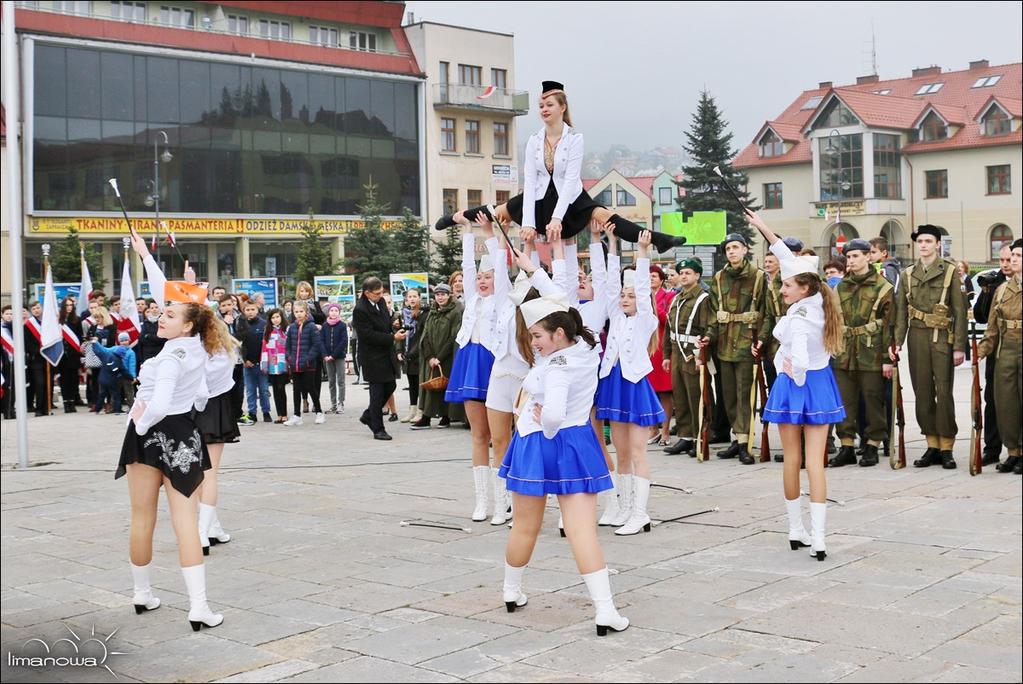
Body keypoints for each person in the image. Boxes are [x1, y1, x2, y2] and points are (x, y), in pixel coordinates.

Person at [499, 294, 628, 636]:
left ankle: (511, 590)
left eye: (537, 336)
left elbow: (553, 412)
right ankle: (605, 610)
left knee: (525, 525)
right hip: (572, 444)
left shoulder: (556, 365)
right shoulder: (586, 348)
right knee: (581, 530)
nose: (533, 344)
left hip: (536, 439)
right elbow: (559, 294)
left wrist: (548, 425)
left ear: (558, 333)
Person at [436, 81, 686, 254]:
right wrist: (529, 223)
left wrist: (556, 218)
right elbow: (532, 181)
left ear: (562, 107)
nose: (544, 110)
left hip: (570, 196)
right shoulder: (534, 140)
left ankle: (659, 240)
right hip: (541, 194)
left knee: (606, 216)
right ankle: (454, 218)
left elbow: (570, 181)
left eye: (549, 105)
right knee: (499, 210)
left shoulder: (575, 139)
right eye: (541, 106)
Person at [116, 297, 223, 631]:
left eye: (170, 315)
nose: (161, 318)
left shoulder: (170, 358)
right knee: (185, 522)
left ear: (188, 325)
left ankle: (141, 592)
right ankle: (198, 607)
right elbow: (203, 395)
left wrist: (141, 423)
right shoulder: (197, 350)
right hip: (181, 433)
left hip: (150, 430)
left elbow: (159, 404)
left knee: (142, 516)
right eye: (163, 313)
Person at [748, 213, 845, 562]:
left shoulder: (801, 317)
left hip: (799, 384)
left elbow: (800, 360)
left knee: (792, 459)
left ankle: (797, 529)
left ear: (802, 287)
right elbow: (788, 259)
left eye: (787, 285)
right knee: (815, 462)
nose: (782, 287)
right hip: (819, 385)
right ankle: (817, 537)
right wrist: (762, 225)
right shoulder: (818, 298)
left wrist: (787, 366)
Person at [595, 229, 665, 536]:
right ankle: (623, 507)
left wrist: (641, 251)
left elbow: (641, 288)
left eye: (631, 295)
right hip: (612, 383)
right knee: (621, 451)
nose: (625, 299)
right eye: (623, 296)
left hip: (634, 385)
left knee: (638, 452)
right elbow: (609, 284)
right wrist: (610, 244)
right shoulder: (616, 315)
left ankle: (640, 512)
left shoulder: (645, 319)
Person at [892, 224, 968, 469]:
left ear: (937, 244)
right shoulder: (907, 274)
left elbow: (959, 311)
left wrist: (959, 347)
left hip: (942, 338)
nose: (923, 245)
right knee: (922, 392)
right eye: (920, 241)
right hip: (917, 337)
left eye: (928, 241)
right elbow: (901, 312)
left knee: (944, 393)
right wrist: (897, 342)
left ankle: (947, 447)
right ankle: (931, 445)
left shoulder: (949, 272)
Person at [444, 224, 499, 519]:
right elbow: (466, 266)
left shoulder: (502, 300)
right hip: (469, 362)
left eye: (487, 276)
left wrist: (489, 235)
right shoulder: (472, 299)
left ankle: (505, 497)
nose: (481, 281)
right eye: (478, 277)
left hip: (494, 363)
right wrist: (467, 231)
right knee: (478, 434)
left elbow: (500, 269)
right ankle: (482, 500)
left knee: (501, 436)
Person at [829, 238, 895, 468]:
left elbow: (889, 325)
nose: (851, 261)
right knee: (844, 402)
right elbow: (834, 320)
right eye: (848, 257)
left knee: (873, 400)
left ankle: (873, 444)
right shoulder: (841, 287)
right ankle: (846, 445)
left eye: (856, 256)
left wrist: (888, 359)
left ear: (868, 256)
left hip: (872, 353)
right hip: (845, 353)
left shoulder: (883, 287)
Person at [708, 233, 770, 465]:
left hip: (747, 344)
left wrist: (761, 340)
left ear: (745, 250)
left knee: (745, 395)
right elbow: (714, 313)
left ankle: (745, 442)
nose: (731, 251)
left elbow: (766, 313)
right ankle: (738, 437)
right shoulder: (719, 278)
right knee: (729, 396)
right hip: (724, 344)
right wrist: (708, 337)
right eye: (727, 248)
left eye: (735, 247)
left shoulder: (758, 277)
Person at [977, 238, 1022, 474]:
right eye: (1012, 255)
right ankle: (1013, 451)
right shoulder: (1002, 289)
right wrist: (980, 352)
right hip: (1005, 352)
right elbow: (992, 328)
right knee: (1006, 403)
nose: (1013, 259)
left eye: (1019, 256)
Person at [662, 259, 712, 457]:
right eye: (681, 273)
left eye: (688, 273)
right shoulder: (677, 298)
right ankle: (685, 437)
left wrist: (702, 356)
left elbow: (708, 328)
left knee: (695, 397)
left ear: (697, 276)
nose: (683, 276)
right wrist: (667, 355)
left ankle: (700, 436)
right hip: (677, 353)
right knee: (680, 397)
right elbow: (669, 329)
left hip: (693, 354)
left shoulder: (703, 298)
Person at [353, 278, 406, 441]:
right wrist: (392, 338)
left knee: (391, 384)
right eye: (377, 293)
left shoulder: (381, 302)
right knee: (376, 393)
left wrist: (394, 327)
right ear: (367, 293)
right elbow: (368, 335)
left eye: (381, 292)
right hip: (371, 356)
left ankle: (369, 415)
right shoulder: (360, 309)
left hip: (385, 353)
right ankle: (378, 428)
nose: (380, 295)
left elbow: (384, 323)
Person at [412, 284, 462, 430]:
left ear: (449, 295)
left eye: (443, 294)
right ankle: (426, 417)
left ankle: (446, 416)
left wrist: (440, 357)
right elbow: (425, 335)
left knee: (445, 386)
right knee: (430, 386)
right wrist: (430, 356)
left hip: (446, 357)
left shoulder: (455, 312)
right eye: (438, 294)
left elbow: (453, 337)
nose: (440, 297)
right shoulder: (432, 312)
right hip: (431, 357)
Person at [647, 265, 676, 446]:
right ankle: (652, 429)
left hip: (662, 348)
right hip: (646, 349)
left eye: (654, 276)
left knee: (665, 391)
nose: (651, 279)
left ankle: (665, 430)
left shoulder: (669, 296)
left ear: (661, 279)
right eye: (648, 276)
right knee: (648, 391)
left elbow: (670, 321)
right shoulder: (640, 295)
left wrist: (656, 309)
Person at [284, 301, 325, 426]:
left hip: (308, 364)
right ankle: (297, 415)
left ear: (306, 312)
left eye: (301, 311)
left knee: (310, 387)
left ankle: (319, 412)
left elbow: (316, 345)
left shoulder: (312, 327)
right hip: (295, 364)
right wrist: (289, 358)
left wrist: (308, 358)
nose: (298, 314)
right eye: (296, 312)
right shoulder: (292, 327)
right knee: (296, 389)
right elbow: (288, 345)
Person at [216, 295, 249, 426]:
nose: (227, 308)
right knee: (226, 389)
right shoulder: (216, 319)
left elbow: (245, 334)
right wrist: (224, 322)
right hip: (223, 359)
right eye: (223, 305)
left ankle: (237, 414)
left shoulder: (240, 317)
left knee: (238, 389)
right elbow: (218, 336)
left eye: (229, 305)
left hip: (238, 358)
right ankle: (226, 416)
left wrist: (233, 331)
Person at [396, 289, 425, 423]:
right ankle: (411, 411)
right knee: (411, 384)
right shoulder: (403, 314)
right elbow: (400, 334)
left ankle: (421, 411)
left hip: (418, 354)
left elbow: (422, 337)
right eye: (409, 297)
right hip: (407, 354)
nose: (412, 299)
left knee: (420, 384)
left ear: (419, 298)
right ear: (406, 299)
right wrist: (399, 351)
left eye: (415, 296)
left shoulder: (424, 314)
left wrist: (411, 353)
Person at [240, 301, 272, 423]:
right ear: (244, 311)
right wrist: (244, 359)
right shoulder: (241, 324)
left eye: (252, 309)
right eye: (247, 310)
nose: (250, 312)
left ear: (257, 309)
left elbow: (268, 344)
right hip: (247, 364)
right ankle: (252, 412)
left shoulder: (264, 324)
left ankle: (266, 411)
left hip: (261, 363)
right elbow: (239, 345)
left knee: (264, 389)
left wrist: (265, 360)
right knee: (250, 390)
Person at [92, 332, 136, 414]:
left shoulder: (131, 353)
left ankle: (132, 408)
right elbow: (103, 350)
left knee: (129, 392)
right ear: (119, 341)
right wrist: (96, 343)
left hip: (126, 376)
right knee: (115, 392)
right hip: (116, 376)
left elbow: (132, 365)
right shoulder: (114, 349)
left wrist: (133, 376)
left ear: (129, 340)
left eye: (126, 340)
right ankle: (113, 407)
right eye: (122, 341)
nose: (124, 342)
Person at [261, 308, 290, 423]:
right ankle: (279, 415)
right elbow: (264, 348)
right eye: (273, 318)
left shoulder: (286, 330)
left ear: (282, 317)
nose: (275, 319)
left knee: (281, 388)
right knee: (275, 390)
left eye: (277, 317)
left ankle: (285, 414)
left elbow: (289, 347)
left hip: (283, 364)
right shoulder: (268, 331)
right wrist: (264, 365)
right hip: (272, 364)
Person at [320, 303, 349, 414]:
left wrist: (334, 355)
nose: (333, 312)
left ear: (339, 312)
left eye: (336, 310)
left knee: (341, 380)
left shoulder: (342, 325)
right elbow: (321, 341)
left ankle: (341, 403)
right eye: (331, 310)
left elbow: (343, 341)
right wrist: (325, 355)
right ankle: (333, 404)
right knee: (331, 381)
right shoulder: (325, 326)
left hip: (339, 357)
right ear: (328, 312)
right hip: (327, 358)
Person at [57, 296, 83, 413]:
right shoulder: (58, 320)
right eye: (67, 305)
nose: (69, 308)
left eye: (71, 305)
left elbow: (79, 337)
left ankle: (72, 402)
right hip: (62, 355)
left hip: (73, 354)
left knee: (73, 379)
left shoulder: (76, 320)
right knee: (64, 380)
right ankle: (66, 402)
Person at [137, 299, 166, 369]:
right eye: (152, 308)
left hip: (161, 353)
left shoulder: (164, 321)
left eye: (156, 307)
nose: (154, 310)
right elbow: (141, 339)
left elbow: (163, 338)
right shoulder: (146, 322)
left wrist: (149, 336)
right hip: (147, 355)